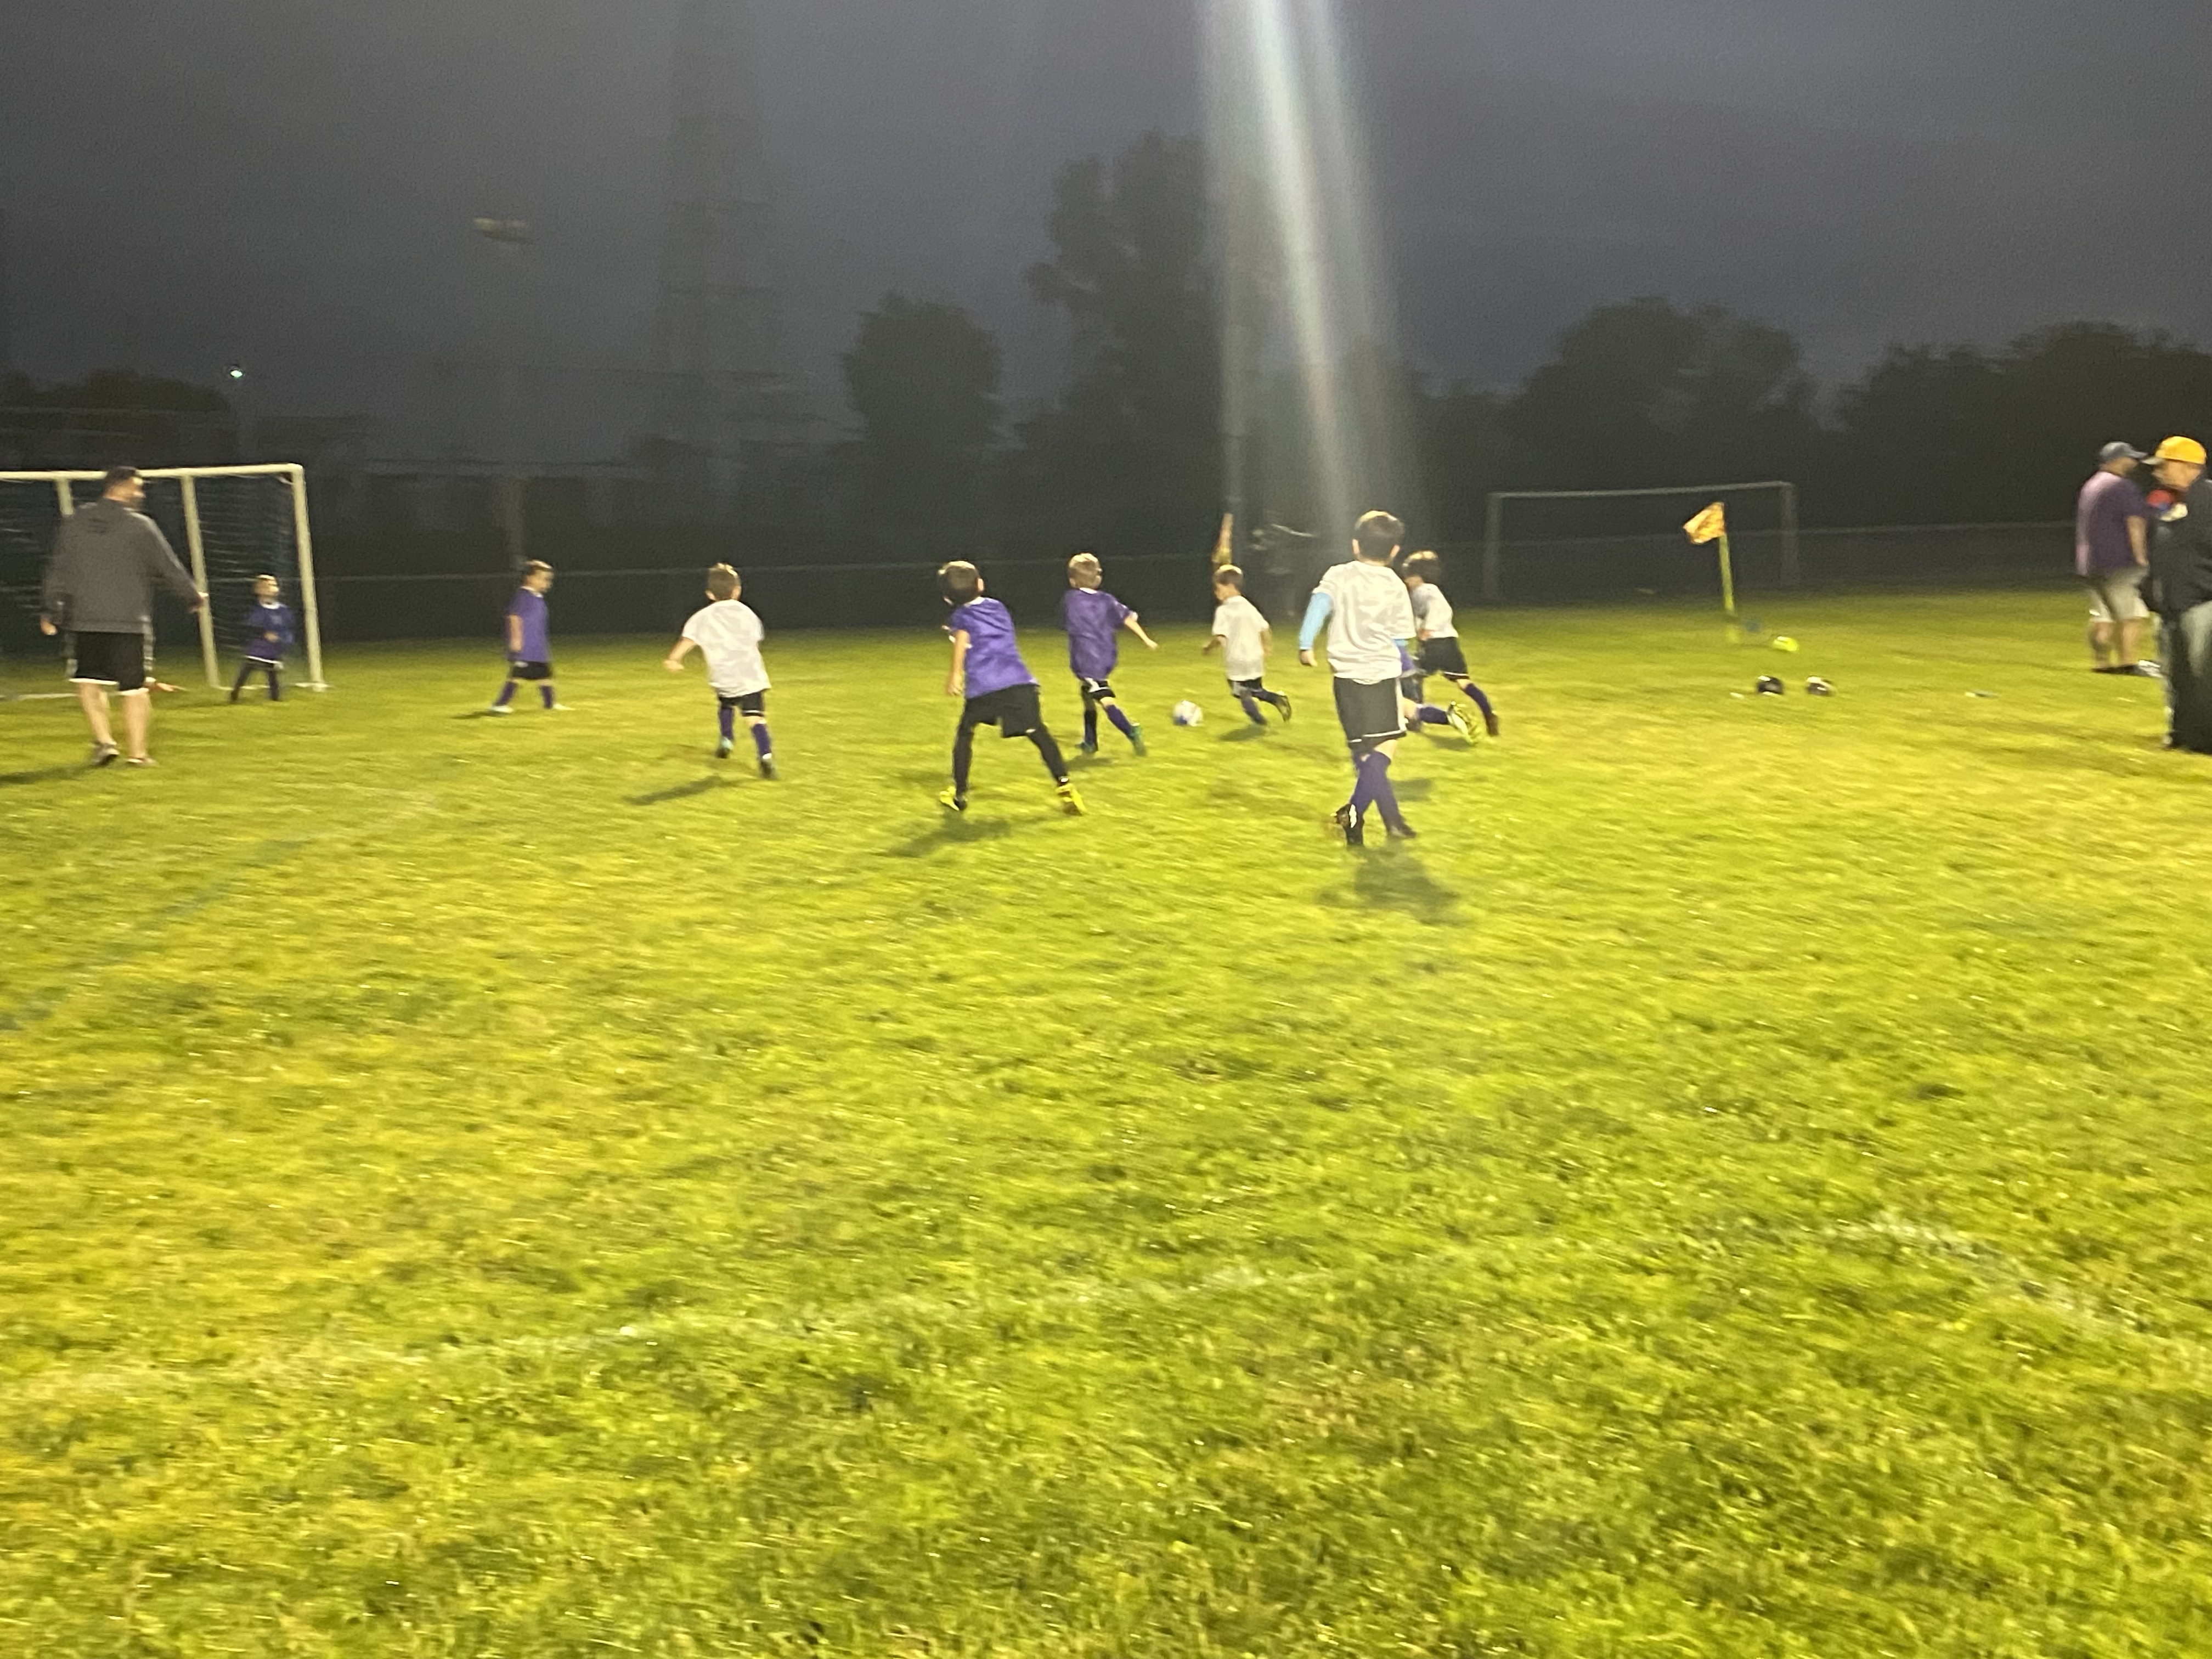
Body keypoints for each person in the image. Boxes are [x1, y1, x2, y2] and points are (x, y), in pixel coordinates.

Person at [37, 465, 205, 766]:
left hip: (84, 619)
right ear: (122, 487)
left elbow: (59, 568)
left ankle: (105, 742)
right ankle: (138, 755)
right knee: (134, 688)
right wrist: (192, 597)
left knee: (88, 681)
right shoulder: (140, 526)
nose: (141, 494)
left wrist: (50, 608)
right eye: (137, 487)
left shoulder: (76, 522)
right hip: (128, 621)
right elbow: (169, 567)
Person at [1299, 509, 1419, 845]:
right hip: (1380, 676)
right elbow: (1399, 640)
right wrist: (1409, 675)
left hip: (1346, 679)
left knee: (1366, 757)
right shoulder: (1395, 585)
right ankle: (1352, 812)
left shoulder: (1339, 575)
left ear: (1355, 545)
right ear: (1395, 551)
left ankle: (1392, 823)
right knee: (1386, 747)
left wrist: (1306, 644)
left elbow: (1319, 604)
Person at [938, 561, 1083, 816]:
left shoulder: (960, 617)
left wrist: (955, 674)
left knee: (965, 733)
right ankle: (1065, 787)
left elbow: (963, 638)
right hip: (1020, 683)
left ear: (947, 598)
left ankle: (959, 795)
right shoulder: (998, 607)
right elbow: (985, 630)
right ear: (980, 584)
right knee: (1038, 732)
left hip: (985, 688)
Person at [663, 563, 775, 776]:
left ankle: (726, 740)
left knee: (726, 704)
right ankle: (765, 756)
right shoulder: (747, 613)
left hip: (724, 676)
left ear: (710, 594)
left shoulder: (702, 617)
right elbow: (756, 638)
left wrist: (674, 658)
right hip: (751, 676)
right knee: (755, 718)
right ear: (737, 591)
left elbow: (688, 640)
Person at [2144, 436, 2212, 752]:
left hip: (2202, 602)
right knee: (2174, 675)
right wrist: (2149, 589)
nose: (2157, 471)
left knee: (2204, 676)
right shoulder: (2164, 501)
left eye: (2164, 465)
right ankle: (2180, 732)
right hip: (2170, 604)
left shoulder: (2208, 501)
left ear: (2189, 468)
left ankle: (2206, 737)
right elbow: (2159, 550)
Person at [1059, 551, 1157, 755]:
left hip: (1088, 660)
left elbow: (1068, 621)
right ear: (1098, 578)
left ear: (1072, 581)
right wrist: (1146, 639)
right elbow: (1128, 619)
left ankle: (1130, 730)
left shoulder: (1071, 599)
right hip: (1106, 655)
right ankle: (1090, 742)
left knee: (1104, 698)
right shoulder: (1107, 600)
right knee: (1087, 694)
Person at [2075, 441, 2155, 675]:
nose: (2133, 462)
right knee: (2131, 616)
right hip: (2119, 561)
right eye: (2130, 458)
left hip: (2091, 562)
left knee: (2102, 616)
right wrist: (2141, 556)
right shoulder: (2122, 486)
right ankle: (2127, 663)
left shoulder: (2092, 485)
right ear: (2118, 460)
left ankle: (2100, 662)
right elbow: (2135, 522)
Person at [1401, 551, 1500, 735]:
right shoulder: (1425, 591)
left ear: (1418, 576)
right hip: (1449, 644)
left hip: (1434, 644)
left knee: (1412, 676)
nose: (1406, 581)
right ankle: (1488, 713)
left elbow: (1442, 610)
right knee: (1463, 682)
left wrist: (1428, 629)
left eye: (1409, 577)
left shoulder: (1426, 590)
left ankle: (1415, 719)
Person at [1204, 565, 1291, 725]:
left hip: (1236, 659)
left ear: (1230, 587)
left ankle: (1258, 719)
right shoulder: (1249, 606)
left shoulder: (1223, 611)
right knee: (1257, 690)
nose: (1216, 593)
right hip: (1255, 657)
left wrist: (1208, 648)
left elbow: (1219, 636)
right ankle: (1277, 699)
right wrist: (1267, 647)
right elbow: (1264, 628)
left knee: (1239, 690)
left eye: (1218, 588)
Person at [488, 560, 562, 713]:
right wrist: (516, 640)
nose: (546, 583)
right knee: (517, 676)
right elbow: (514, 617)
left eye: (548, 579)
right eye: (542, 578)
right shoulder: (524, 596)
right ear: (530, 578)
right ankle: (499, 704)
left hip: (537, 649)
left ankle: (550, 704)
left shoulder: (537, 597)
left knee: (544, 675)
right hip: (526, 648)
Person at [229, 573, 296, 702]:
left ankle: (275, 698)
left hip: (273, 649)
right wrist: (264, 634)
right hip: (258, 648)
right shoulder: (257, 610)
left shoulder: (283, 610)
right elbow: (250, 627)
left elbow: (288, 627)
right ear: (258, 590)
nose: (271, 588)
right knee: (247, 670)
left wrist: (284, 640)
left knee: (272, 673)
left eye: (273, 585)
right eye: (266, 586)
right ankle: (235, 693)